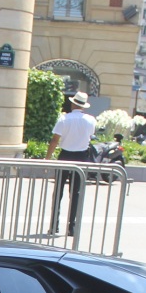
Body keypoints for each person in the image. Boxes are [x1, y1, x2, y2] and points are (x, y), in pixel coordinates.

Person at [45, 91, 97, 235]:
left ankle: (54, 225)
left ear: (73, 103)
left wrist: (48, 158)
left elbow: (55, 140)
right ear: (84, 106)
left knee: (58, 192)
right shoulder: (90, 120)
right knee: (76, 193)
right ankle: (72, 227)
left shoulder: (64, 118)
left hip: (65, 155)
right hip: (81, 157)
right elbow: (90, 136)